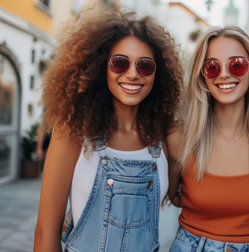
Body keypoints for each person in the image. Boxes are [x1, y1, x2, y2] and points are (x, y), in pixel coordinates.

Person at [34, 7, 183, 252]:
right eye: (120, 63)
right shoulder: (73, 133)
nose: (133, 74)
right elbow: (46, 232)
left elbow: (190, 196)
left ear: (159, 74)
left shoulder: (164, 138)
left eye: (145, 66)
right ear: (101, 67)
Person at [166, 26, 249, 252]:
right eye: (212, 67)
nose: (224, 74)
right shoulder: (179, 137)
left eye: (237, 65)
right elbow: (174, 197)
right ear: (202, 76)